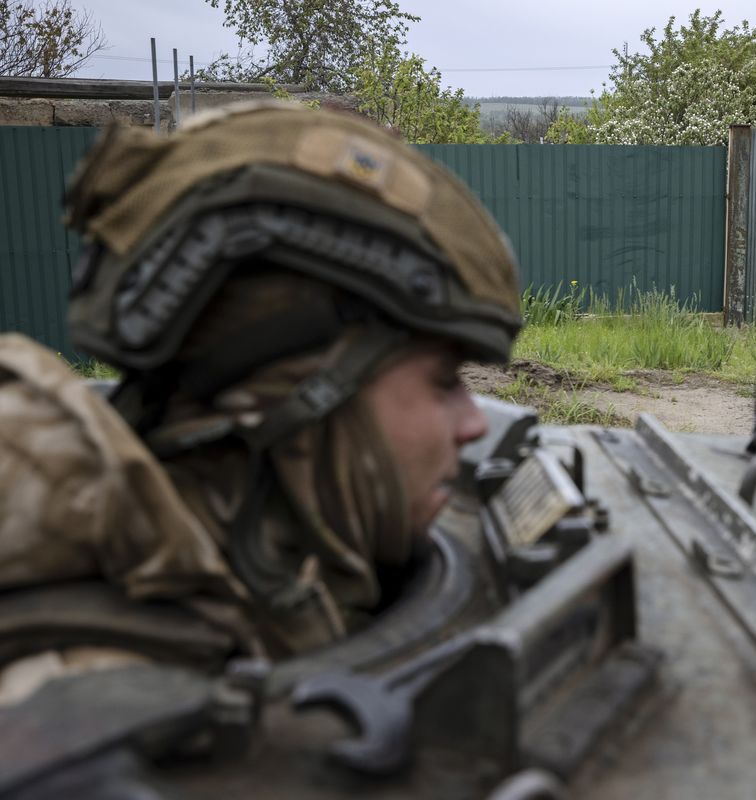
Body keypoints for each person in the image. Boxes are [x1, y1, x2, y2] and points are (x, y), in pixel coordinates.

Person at [0, 101, 523, 702]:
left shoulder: (272, 570)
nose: (474, 423)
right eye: (443, 380)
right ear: (300, 395)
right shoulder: (86, 706)